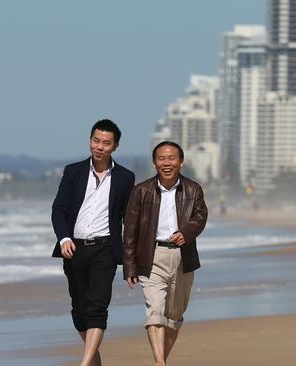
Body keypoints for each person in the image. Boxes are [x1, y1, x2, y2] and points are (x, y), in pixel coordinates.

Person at [51, 119, 135, 366]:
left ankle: (84, 363)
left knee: (97, 307)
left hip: (105, 250)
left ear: (115, 146)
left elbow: (128, 219)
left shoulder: (124, 177)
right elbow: (59, 210)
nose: (99, 147)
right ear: (90, 140)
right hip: (74, 249)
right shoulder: (73, 171)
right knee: (79, 312)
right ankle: (94, 360)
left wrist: (131, 260)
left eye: (106, 143)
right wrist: (64, 238)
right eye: (96, 140)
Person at [123, 141, 208, 366]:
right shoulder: (141, 191)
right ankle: (160, 363)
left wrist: (186, 233)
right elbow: (130, 230)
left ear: (181, 161)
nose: (166, 163)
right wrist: (129, 266)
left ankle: (161, 360)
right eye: (161, 158)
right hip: (151, 256)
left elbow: (200, 217)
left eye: (171, 158)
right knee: (155, 311)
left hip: (183, 258)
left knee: (173, 317)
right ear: (154, 163)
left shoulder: (193, 189)